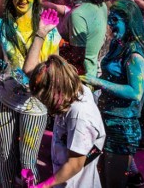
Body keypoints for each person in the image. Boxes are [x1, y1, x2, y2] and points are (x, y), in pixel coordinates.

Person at [0, 0, 60, 186]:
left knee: (28, 161)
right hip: (5, 98)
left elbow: (54, 67)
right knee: (6, 155)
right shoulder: (0, 27)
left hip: (35, 103)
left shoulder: (48, 28)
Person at [80, 0, 144, 188]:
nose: (110, 24)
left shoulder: (135, 53)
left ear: (129, 22)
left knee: (114, 184)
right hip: (106, 120)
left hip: (121, 127)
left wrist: (98, 82)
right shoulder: (117, 44)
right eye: (109, 19)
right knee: (101, 180)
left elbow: (136, 92)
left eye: (115, 20)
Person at [28, 55, 106, 188]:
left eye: (45, 99)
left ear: (57, 89)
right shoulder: (72, 92)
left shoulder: (80, 116)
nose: (45, 104)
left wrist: (44, 186)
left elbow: (74, 164)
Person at [62, 0, 115, 76]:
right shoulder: (102, 6)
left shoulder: (78, 14)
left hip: (80, 80)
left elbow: (77, 56)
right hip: (94, 74)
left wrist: (57, 44)